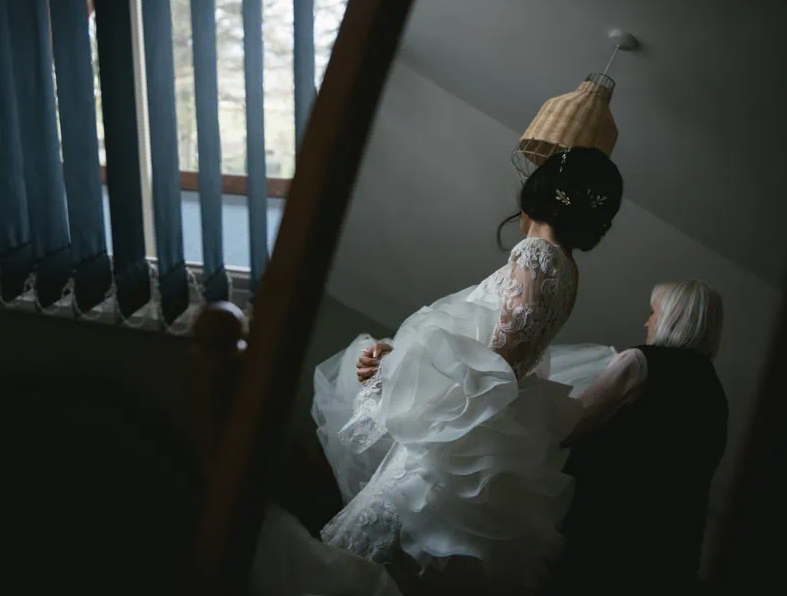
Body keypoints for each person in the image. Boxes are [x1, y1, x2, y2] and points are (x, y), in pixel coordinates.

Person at [312, 147, 624, 592]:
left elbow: (496, 364)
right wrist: (395, 361)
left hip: (462, 436)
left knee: (375, 561)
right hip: (485, 428)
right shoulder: (568, 269)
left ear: (537, 192)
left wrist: (396, 370)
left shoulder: (536, 252)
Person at [551, 280, 728, 595]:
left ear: (672, 318)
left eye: (654, 312)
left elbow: (570, 425)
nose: (647, 321)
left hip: (606, 530)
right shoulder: (714, 391)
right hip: (673, 547)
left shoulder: (639, 363)